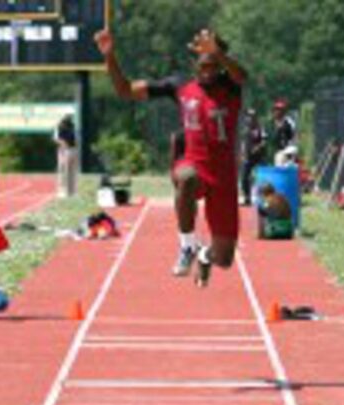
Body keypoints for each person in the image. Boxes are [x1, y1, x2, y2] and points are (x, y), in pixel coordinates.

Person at [94, 28, 247, 287]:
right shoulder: (180, 86)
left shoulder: (231, 87)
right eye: (203, 66)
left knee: (224, 258)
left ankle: (204, 255)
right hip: (192, 163)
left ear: (220, 64)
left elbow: (241, 74)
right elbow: (125, 90)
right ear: (194, 64)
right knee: (186, 178)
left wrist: (217, 54)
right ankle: (187, 244)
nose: (207, 72)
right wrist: (110, 57)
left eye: (213, 65)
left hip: (223, 175)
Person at [240, 108, 266, 205]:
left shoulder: (260, 128)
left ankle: (264, 198)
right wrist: (242, 153)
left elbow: (264, 141)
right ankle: (247, 197)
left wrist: (257, 147)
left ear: (255, 118)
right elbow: (243, 142)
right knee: (244, 178)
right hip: (248, 157)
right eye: (248, 116)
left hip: (259, 157)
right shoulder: (245, 129)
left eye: (252, 116)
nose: (249, 118)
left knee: (263, 178)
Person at [53, 114, 78, 198]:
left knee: (68, 171)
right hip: (68, 150)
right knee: (67, 171)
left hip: (69, 150)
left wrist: (69, 146)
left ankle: (69, 191)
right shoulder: (63, 126)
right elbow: (56, 138)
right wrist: (64, 145)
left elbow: (58, 139)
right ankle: (66, 191)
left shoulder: (68, 125)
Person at [269, 99, 296, 166]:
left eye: (279, 109)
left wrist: (290, 151)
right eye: (276, 109)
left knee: (282, 168)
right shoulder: (271, 123)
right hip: (275, 151)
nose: (277, 111)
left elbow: (294, 137)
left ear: (284, 111)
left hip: (286, 150)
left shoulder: (288, 122)